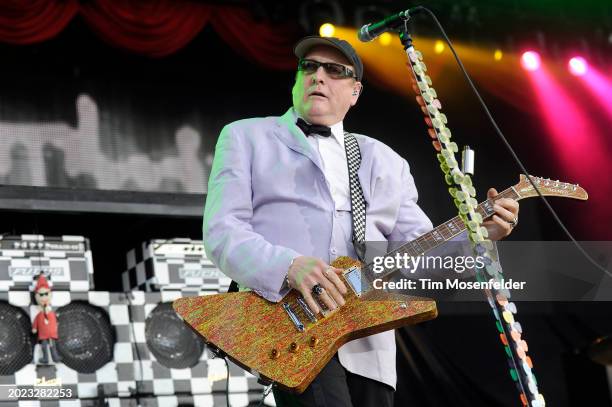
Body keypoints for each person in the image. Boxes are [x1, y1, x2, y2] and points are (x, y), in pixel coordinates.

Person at [203, 35, 519, 407]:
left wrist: (481, 237)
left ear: (355, 92)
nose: (318, 76)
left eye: (334, 70)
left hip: (370, 347)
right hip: (291, 329)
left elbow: (421, 258)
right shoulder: (246, 136)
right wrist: (288, 266)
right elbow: (223, 232)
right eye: (309, 67)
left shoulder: (386, 160)